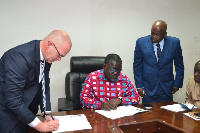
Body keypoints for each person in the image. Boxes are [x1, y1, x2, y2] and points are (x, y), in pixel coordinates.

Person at [0, 30, 72, 133]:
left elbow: (43, 85)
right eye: (60, 55)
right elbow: (13, 100)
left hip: (26, 113)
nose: (59, 59)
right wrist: (40, 126)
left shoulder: (46, 57)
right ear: (49, 45)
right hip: (7, 117)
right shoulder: (19, 57)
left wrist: (47, 113)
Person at [133, 20, 184, 103]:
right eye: (152, 33)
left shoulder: (174, 43)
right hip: (148, 88)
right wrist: (139, 86)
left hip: (166, 88)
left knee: (166, 115)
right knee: (148, 115)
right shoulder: (141, 42)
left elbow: (179, 65)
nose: (154, 36)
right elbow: (137, 66)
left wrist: (177, 83)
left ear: (165, 34)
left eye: (158, 34)